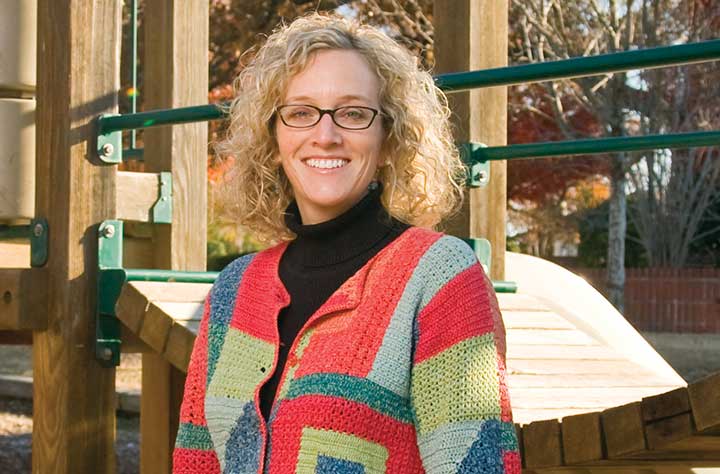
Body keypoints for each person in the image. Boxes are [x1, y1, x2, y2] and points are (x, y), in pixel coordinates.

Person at [173, 13, 520, 474]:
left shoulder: (438, 277)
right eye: (300, 113)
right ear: (273, 140)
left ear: (389, 139)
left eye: (353, 114)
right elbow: (196, 459)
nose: (326, 135)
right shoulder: (235, 289)